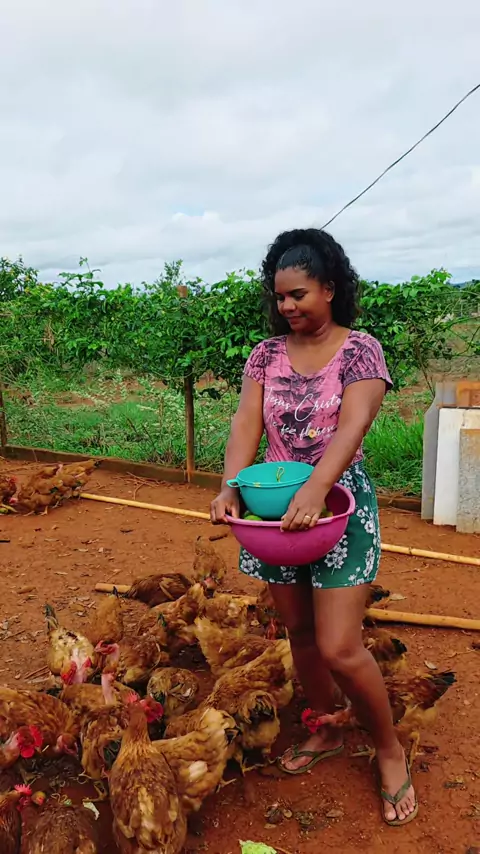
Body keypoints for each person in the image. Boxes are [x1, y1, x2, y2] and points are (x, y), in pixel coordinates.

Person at [210, 228, 417, 826]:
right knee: (299, 632)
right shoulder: (265, 355)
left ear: (329, 287)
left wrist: (316, 488)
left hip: (338, 509)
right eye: (280, 297)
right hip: (274, 513)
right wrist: (230, 485)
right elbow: (245, 423)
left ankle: (388, 749)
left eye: (298, 294)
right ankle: (325, 728)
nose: (287, 306)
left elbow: (353, 427)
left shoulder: (361, 351)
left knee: (340, 646)